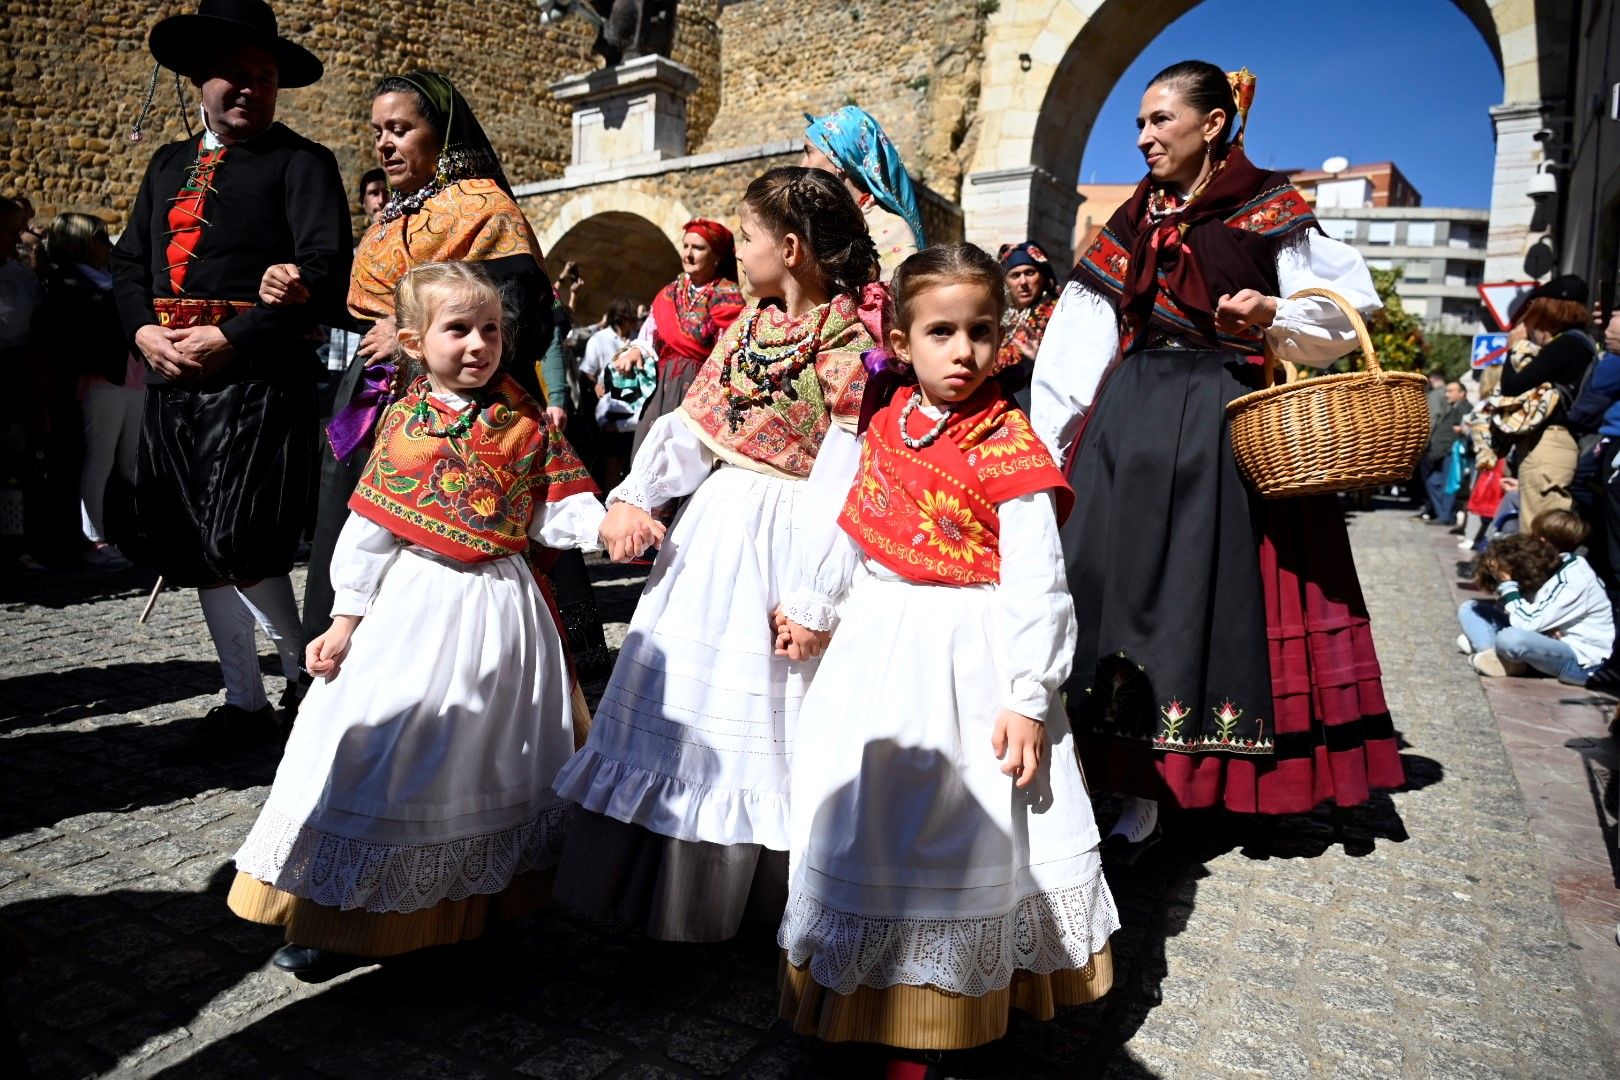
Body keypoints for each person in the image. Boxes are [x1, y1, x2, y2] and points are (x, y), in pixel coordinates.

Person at [1031, 62, 1403, 857]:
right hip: (1129, 424)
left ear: (1211, 125)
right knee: (1109, 591)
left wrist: (1274, 314)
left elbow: (1347, 311)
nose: (1144, 136)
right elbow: (1080, 336)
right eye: (1139, 123)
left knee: (1206, 602)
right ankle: (1120, 778)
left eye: (1161, 120)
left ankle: (1194, 777)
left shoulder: (1270, 206)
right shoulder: (1132, 218)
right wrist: (1054, 443)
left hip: (1224, 425)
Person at [774, 244, 1117, 1060]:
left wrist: (1029, 695)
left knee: (963, 823)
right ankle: (866, 992)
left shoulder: (1012, 447)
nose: (962, 351)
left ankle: (943, 1011)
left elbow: (1039, 577)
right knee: (869, 816)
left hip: (973, 651)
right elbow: (854, 527)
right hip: (878, 644)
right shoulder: (886, 426)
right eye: (940, 332)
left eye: (981, 331)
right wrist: (815, 609)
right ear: (899, 336)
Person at [228, 262, 606, 975]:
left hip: (500, 609)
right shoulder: (403, 422)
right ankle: (333, 911)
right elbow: (368, 532)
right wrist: (344, 621)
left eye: (491, 330)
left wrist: (612, 522)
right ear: (412, 339)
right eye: (457, 329)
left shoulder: (524, 420)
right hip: (414, 604)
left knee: (482, 758)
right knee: (374, 748)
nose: (478, 345)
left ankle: (469, 909)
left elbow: (559, 506)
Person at [551, 166, 881, 942]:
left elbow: (845, 474)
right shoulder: (749, 328)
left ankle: (756, 896)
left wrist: (814, 597)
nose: (740, 249)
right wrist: (638, 493)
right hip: (721, 529)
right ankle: (660, 889)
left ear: (791, 248)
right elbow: (696, 427)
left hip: (793, 535)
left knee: (766, 713)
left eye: (752, 235)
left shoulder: (847, 345)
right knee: (686, 712)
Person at [262, 69, 608, 675]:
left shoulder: (481, 208)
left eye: (401, 129)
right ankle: (354, 664)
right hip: (373, 403)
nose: (385, 144)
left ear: (440, 134)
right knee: (365, 530)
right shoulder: (388, 220)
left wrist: (412, 345)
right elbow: (363, 309)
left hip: (461, 408)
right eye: (378, 132)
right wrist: (298, 294)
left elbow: (517, 312)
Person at [111, 0, 351, 741]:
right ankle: (243, 701)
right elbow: (127, 267)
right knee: (194, 545)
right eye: (234, 75)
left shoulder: (302, 163)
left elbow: (325, 270)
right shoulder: (165, 164)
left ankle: (307, 684)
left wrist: (235, 335)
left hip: (253, 381)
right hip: (171, 380)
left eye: (264, 77)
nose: (249, 88)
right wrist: (145, 332)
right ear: (200, 79)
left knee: (241, 539)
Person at [44, 213, 142, 567]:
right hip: (103, 379)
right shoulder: (67, 281)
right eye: (100, 236)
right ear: (81, 241)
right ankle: (92, 538)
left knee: (131, 460)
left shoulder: (111, 274)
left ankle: (128, 531)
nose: (107, 243)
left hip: (133, 375)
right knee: (99, 458)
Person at [621, 219, 745, 458]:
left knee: (684, 458)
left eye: (697, 248)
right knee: (649, 452)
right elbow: (649, 332)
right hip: (662, 387)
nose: (688, 254)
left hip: (701, 389)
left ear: (716, 256)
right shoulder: (669, 292)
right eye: (685, 246)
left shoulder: (726, 295)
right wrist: (637, 350)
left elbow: (730, 349)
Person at [1459, 510, 1614, 683]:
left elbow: (1527, 623)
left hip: (1576, 654)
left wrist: (1508, 583)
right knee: (1471, 608)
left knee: (1511, 639)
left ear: (1543, 540)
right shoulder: (1549, 562)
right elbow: (1522, 609)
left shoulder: (1575, 577)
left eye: (1536, 536)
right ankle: (1493, 656)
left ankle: (1492, 650)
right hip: (1544, 633)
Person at [1501, 275, 1599, 527]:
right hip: (1557, 443)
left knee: (1538, 530)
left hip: (1549, 443)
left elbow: (1512, 386)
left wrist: (1514, 348)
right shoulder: (1581, 342)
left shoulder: (1567, 344)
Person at [802, 105, 927, 277]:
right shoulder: (813, 223)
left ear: (839, 159)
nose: (803, 165)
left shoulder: (892, 231)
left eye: (809, 152)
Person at [0, 196, 44, 570]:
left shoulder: (22, 277)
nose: (17, 237)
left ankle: (15, 543)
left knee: (13, 462)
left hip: (15, 374)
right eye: (9, 230)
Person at [581, 296, 654, 488]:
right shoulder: (599, 340)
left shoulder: (638, 340)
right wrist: (596, 386)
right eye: (631, 318)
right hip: (610, 406)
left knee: (633, 460)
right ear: (620, 318)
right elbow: (587, 372)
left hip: (635, 406)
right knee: (611, 462)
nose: (635, 322)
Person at [995, 240, 1059, 405]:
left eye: (1030, 273)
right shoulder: (1004, 317)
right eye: (1015, 275)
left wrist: (1041, 360)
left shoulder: (1058, 313)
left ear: (1043, 277)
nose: (1023, 282)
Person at [1417, 380, 1469, 524]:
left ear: (1462, 393)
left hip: (1451, 453)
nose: (1447, 394)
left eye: (1451, 391)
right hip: (1442, 454)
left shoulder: (1464, 408)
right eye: (1446, 391)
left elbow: (1464, 428)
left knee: (1448, 485)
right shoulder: (1453, 408)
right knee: (1433, 482)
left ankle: (1446, 516)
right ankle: (1443, 514)